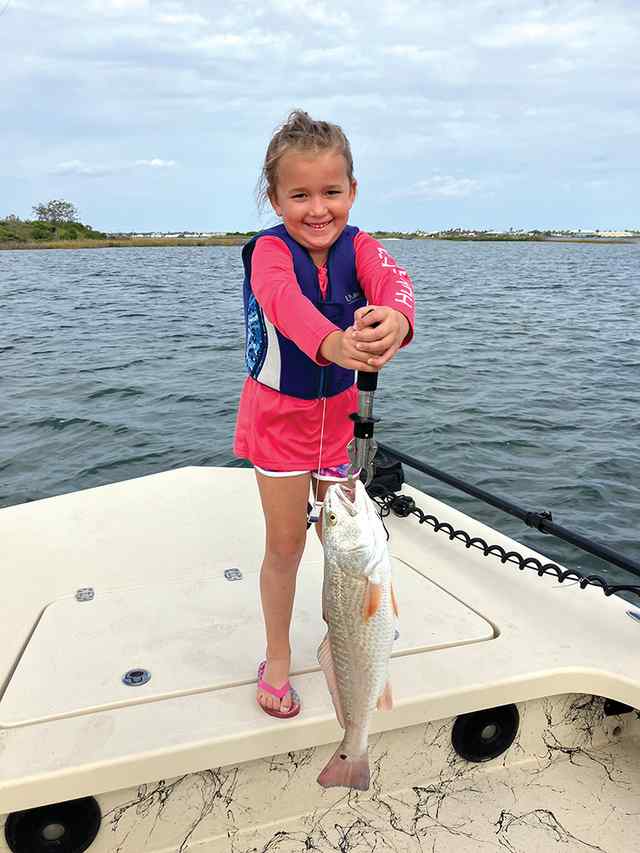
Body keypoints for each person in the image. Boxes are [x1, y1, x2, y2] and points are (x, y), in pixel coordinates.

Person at [234, 110, 415, 718]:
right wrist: (333, 343)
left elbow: (395, 285)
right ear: (274, 198)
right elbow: (283, 303)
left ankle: (353, 647)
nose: (318, 209)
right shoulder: (268, 252)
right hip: (279, 423)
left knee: (350, 554)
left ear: (352, 192)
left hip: (341, 420)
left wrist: (398, 320)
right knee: (286, 546)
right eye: (300, 194)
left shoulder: (361, 247)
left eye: (332, 192)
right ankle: (279, 657)